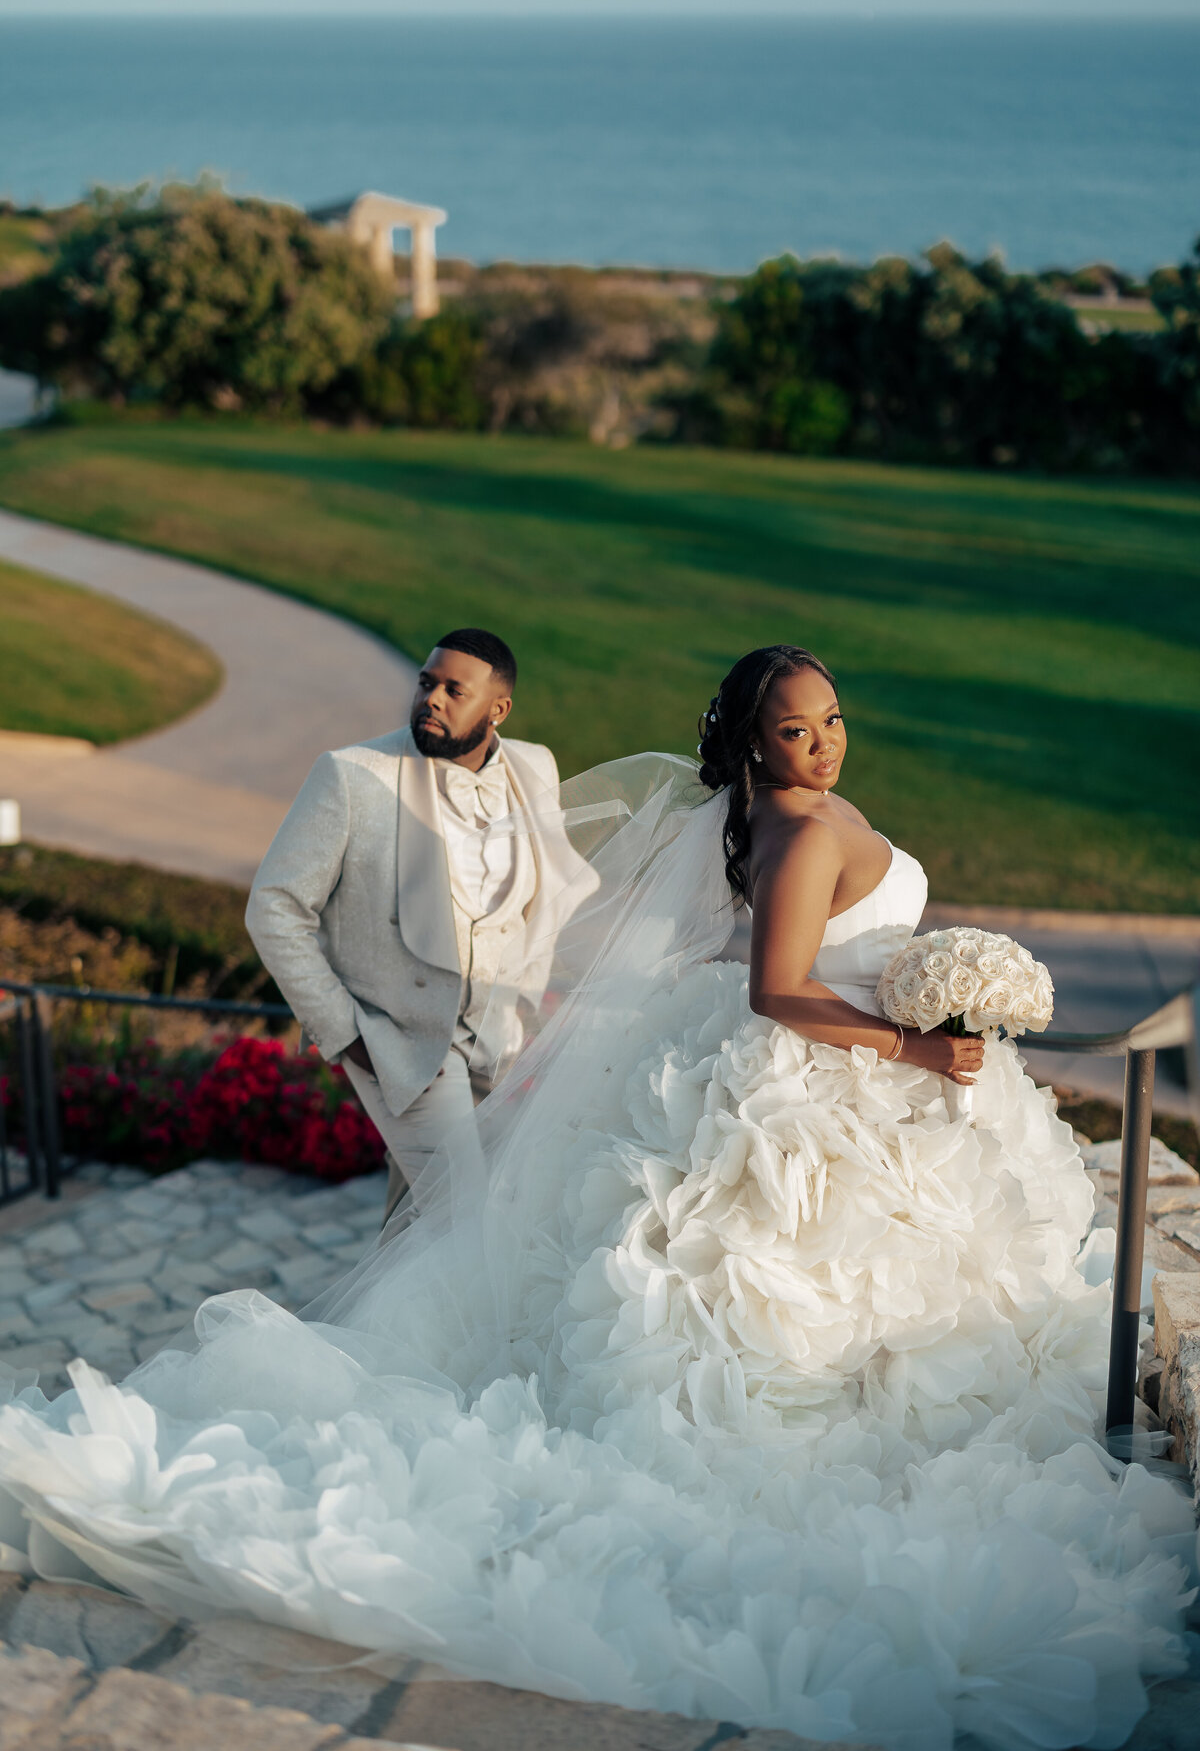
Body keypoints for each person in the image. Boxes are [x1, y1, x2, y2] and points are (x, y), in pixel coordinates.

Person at [0, 644, 1194, 1751]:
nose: (824, 746)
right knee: (777, 1312)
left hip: (841, 1081)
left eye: (832, 722)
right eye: (794, 732)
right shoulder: (797, 834)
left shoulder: (787, 816)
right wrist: (921, 1047)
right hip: (822, 1085)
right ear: (754, 746)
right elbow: (778, 990)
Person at [245, 627, 592, 1220]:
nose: (432, 698)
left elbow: (544, 891)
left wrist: (521, 1000)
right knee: (465, 1221)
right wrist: (346, 1032)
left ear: (498, 709)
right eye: (427, 683)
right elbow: (273, 906)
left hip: (495, 1037)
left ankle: (375, 1318)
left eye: (456, 691)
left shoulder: (535, 768)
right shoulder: (353, 776)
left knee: (417, 1225)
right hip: (400, 1044)